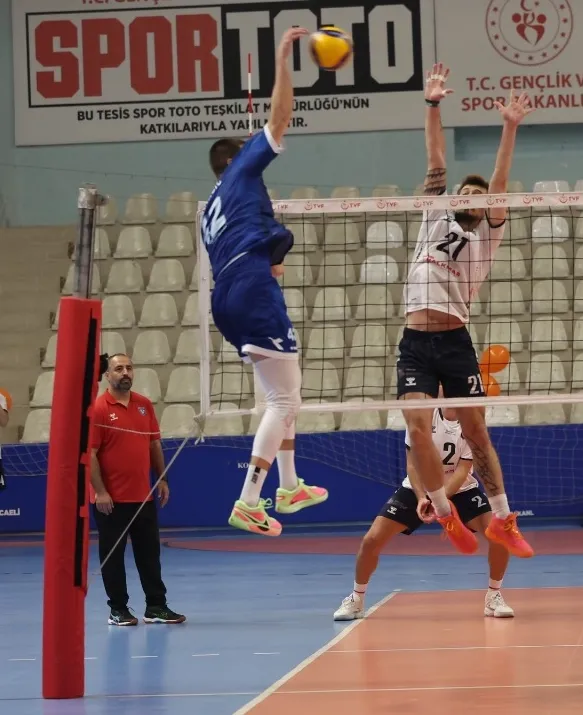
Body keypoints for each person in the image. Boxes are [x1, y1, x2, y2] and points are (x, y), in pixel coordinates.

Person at [395, 62, 534, 559]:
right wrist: (432, 104)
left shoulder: (487, 237)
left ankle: (503, 519)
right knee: (416, 428)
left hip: (455, 340)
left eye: (480, 195)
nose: (473, 196)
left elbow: (500, 180)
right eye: (467, 192)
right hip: (416, 340)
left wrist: (509, 127)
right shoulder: (434, 215)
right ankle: (442, 511)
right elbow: (435, 158)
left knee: (476, 431)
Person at [201, 27, 328, 536]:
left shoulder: (214, 205)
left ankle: (290, 485)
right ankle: (249, 500)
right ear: (235, 159)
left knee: (283, 391)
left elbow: (255, 245)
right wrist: (283, 57)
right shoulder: (243, 171)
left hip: (228, 293)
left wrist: (273, 259)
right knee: (284, 400)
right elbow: (279, 119)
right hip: (250, 290)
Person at [333, 400, 514, 621]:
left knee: (499, 535)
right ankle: (356, 599)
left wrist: (440, 501)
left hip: (460, 490)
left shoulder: (472, 421)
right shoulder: (422, 416)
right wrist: (422, 497)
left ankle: (494, 596)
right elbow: (412, 464)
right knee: (371, 540)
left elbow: (463, 470)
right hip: (417, 488)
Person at [89, 354, 185, 626]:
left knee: (149, 555)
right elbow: (90, 454)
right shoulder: (98, 409)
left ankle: (156, 606)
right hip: (111, 500)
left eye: (129, 368)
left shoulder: (144, 405)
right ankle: (117, 609)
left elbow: (154, 444)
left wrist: (162, 479)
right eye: (118, 368)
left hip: (142, 497)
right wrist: (100, 491)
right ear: (108, 375)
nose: (125, 372)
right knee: (113, 558)